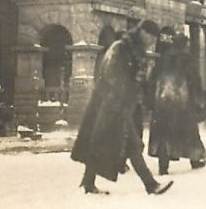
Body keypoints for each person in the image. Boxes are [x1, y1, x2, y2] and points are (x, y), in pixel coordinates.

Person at [71, 20, 173, 196]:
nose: (151, 41)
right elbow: (113, 76)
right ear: (141, 32)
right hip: (111, 105)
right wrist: (122, 98)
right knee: (131, 145)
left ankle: (88, 183)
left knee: (100, 143)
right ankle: (151, 185)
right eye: (150, 36)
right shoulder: (120, 48)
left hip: (117, 106)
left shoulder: (132, 51)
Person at [148, 33, 206, 175]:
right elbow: (194, 81)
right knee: (189, 131)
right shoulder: (187, 59)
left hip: (162, 101)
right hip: (182, 102)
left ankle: (163, 165)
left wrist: (151, 100)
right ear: (184, 44)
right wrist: (199, 100)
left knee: (163, 134)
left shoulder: (162, 59)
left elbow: (152, 80)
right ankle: (195, 159)